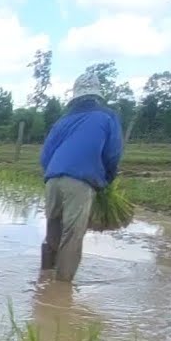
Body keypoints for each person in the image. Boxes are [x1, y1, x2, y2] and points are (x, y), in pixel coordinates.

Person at [39, 70, 125, 282]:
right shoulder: (107, 117)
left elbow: (45, 154)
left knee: (53, 230)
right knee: (72, 235)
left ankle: (44, 278)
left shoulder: (63, 120)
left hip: (52, 179)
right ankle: (61, 290)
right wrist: (108, 177)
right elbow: (113, 152)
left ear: (75, 96)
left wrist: (52, 174)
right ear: (98, 95)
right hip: (80, 180)